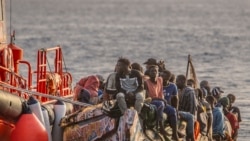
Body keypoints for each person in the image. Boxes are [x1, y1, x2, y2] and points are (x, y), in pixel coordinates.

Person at [144, 65, 168, 135]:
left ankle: (175, 133)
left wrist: (162, 99)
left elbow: (161, 92)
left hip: (160, 100)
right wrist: (161, 100)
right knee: (161, 104)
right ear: (149, 72)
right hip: (151, 101)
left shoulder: (160, 79)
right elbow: (149, 97)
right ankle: (161, 127)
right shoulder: (146, 82)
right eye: (152, 71)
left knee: (172, 110)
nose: (154, 72)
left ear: (158, 73)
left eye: (155, 71)